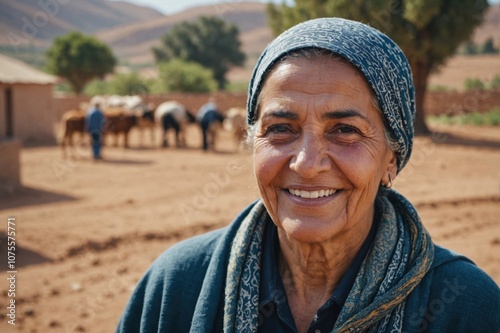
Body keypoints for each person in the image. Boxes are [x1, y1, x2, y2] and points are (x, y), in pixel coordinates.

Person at [116, 18, 500, 332]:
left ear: (391, 158)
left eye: (345, 130)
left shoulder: (465, 307)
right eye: (281, 128)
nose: (305, 163)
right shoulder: (177, 286)